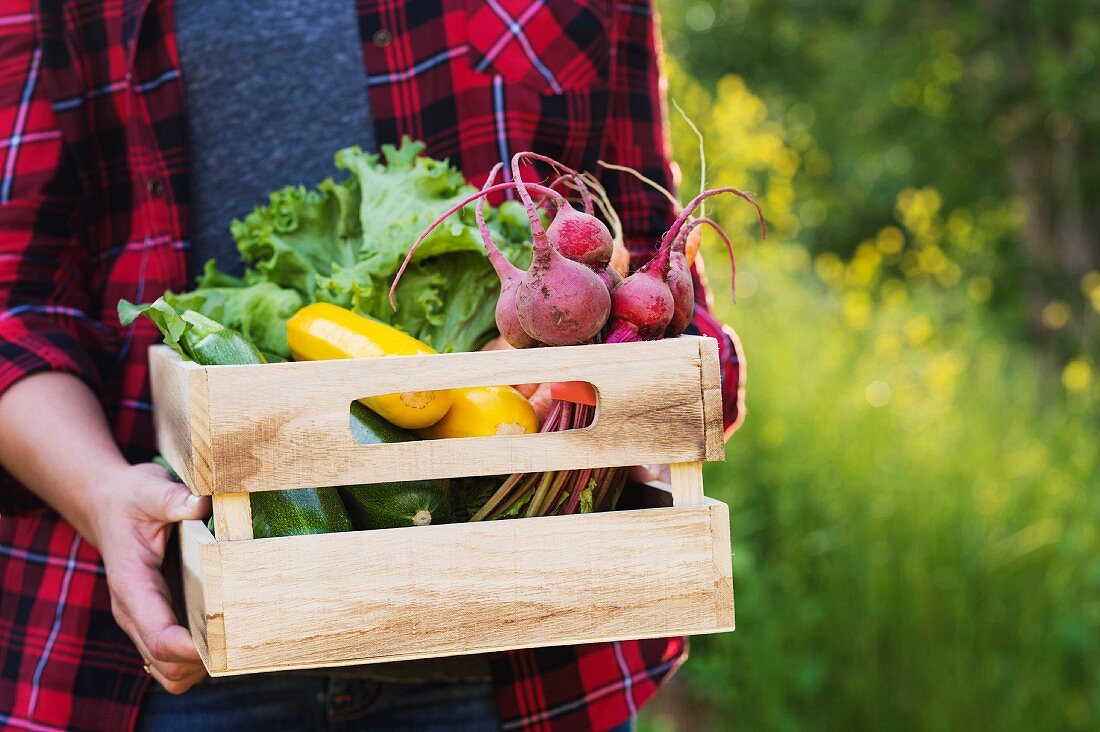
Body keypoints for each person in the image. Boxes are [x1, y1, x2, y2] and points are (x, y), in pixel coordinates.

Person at [0, 1, 745, 730]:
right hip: (184, 640)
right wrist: (100, 494)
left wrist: (634, 374)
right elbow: (15, 307)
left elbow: (650, 255)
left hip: (530, 639)